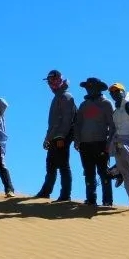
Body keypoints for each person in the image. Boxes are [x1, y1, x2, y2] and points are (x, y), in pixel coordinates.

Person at [36, 69, 77, 202]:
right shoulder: (57, 97)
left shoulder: (66, 96)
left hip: (62, 138)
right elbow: (53, 123)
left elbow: (67, 120)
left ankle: (65, 195)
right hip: (54, 137)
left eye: (52, 80)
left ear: (59, 79)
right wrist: (47, 138)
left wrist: (60, 137)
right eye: (49, 81)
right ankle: (45, 192)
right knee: (51, 165)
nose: (50, 83)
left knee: (63, 165)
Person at [74, 77, 116, 207]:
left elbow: (113, 126)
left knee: (104, 173)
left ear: (98, 88)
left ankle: (107, 201)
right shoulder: (83, 105)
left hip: (101, 143)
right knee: (88, 173)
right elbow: (78, 124)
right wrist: (77, 140)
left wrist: (109, 143)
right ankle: (91, 199)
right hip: (85, 144)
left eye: (91, 87)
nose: (88, 89)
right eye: (87, 87)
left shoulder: (106, 104)